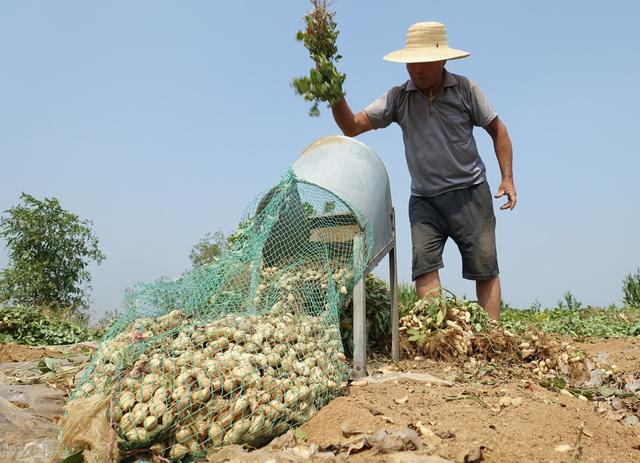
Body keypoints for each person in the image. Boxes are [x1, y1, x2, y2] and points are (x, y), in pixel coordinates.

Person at [331, 21, 516, 320]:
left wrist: (507, 178)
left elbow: (499, 130)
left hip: (470, 193)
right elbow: (352, 127)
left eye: (424, 63)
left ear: (442, 59)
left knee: (485, 267)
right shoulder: (398, 97)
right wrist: (333, 93)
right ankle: (436, 332)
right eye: (411, 64)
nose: (416, 70)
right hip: (424, 199)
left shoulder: (466, 90)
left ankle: (491, 336)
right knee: (424, 266)